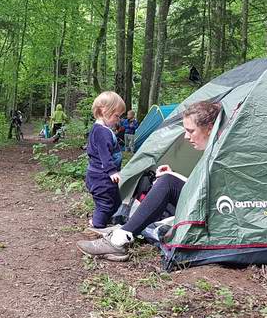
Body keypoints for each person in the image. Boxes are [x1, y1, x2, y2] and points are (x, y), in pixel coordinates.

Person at [77, 100, 222, 261]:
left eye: (190, 131)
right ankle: (126, 226)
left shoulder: (224, 154)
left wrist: (173, 178)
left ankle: (118, 240)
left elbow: (214, 194)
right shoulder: (214, 147)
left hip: (219, 214)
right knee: (159, 180)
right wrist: (175, 175)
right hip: (209, 204)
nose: (186, 137)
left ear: (209, 128)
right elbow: (204, 186)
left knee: (167, 182)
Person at [85, 91, 126, 230]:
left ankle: (106, 219)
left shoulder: (99, 129)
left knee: (115, 201)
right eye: (116, 116)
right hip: (102, 176)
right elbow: (104, 154)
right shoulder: (102, 132)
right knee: (105, 203)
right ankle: (98, 225)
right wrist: (112, 171)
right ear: (103, 110)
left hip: (100, 175)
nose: (118, 120)